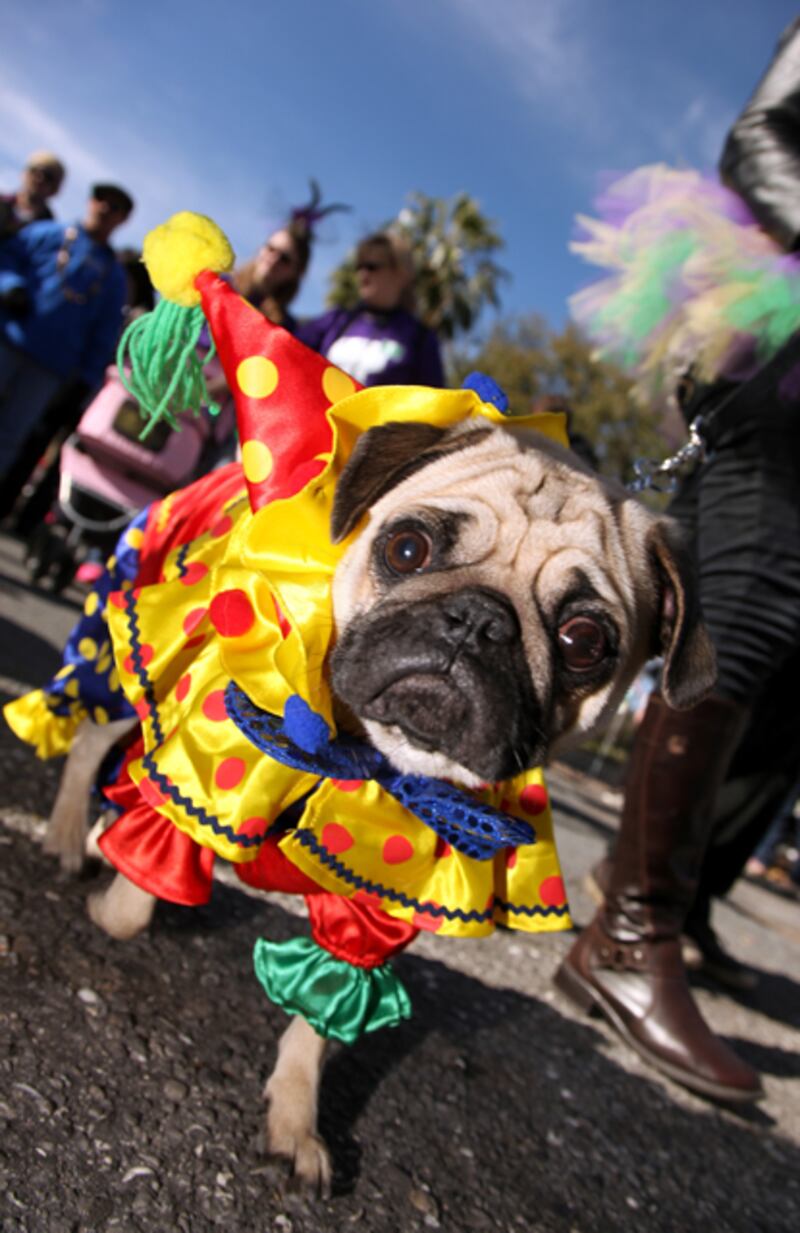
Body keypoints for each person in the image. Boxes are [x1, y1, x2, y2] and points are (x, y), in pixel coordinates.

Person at [556, 19, 800, 1103]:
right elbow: (760, 138)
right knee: (744, 617)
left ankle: (670, 898)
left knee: (785, 674)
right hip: (779, 337)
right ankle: (623, 936)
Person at [0, 182, 133, 491]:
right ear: (90, 201)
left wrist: (86, 380)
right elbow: (7, 258)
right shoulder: (48, 234)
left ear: (122, 220)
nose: (105, 209)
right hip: (8, 338)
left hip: (49, 369)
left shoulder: (113, 278)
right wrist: (9, 287)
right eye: (101, 200)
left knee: (10, 436)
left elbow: (105, 333)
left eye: (115, 208)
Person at [296, 230, 445, 387]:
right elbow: (288, 350)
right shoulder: (336, 320)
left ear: (400, 274)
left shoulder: (420, 338)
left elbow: (431, 401)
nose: (362, 274)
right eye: (359, 266)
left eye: (371, 266)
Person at [0, 151, 66, 239]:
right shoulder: (2, 203)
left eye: (48, 176)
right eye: (35, 171)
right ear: (25, 173)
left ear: (55, 188)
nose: (39, 178)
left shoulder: (49, 231)